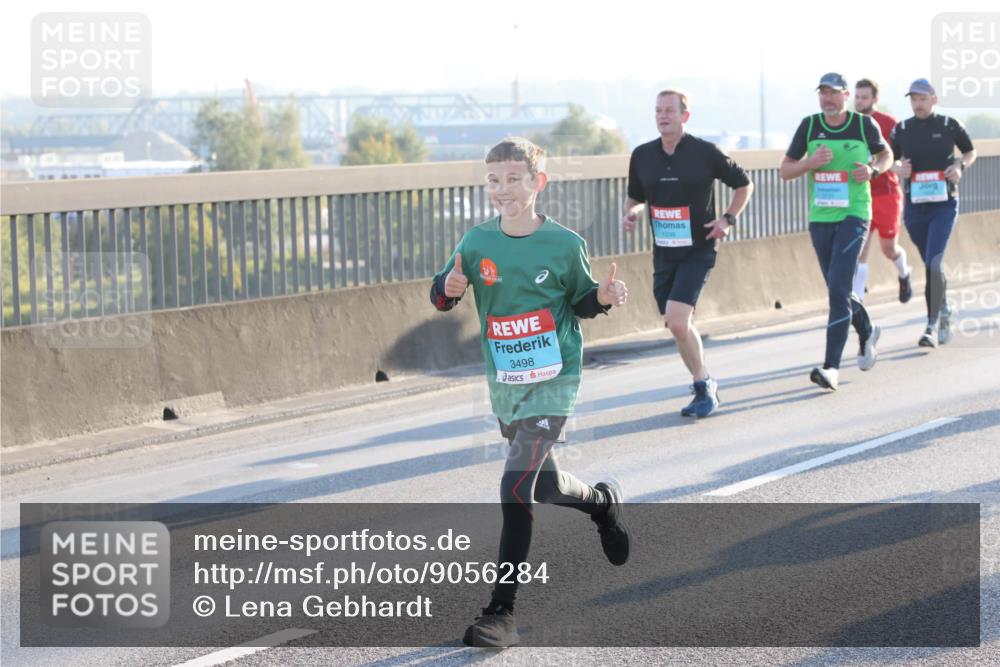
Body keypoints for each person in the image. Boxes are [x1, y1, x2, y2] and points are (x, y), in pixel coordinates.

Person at [430, 137, 631, 648]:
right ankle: (602, 504)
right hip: (506, 385)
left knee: (515, 486)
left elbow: (582, 300)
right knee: (544, 487)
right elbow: (443, 290)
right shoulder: (476, 242)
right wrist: (447, 291)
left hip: (554, 381)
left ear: (538, 182)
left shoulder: (564, 244)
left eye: (514, 178)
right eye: (494, 179)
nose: (503, 189)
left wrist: (602, 297)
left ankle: (501, 613)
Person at [622, 89, 753, 417]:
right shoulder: (642, 155)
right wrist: (633, 213)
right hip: (664, 252)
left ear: (685, 116)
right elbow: (635, 197)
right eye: (658, 111)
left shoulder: (704, 153)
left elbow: (744, 184)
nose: (663, 116)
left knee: (679, 321)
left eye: (669, 110)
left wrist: (727, 219)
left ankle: (702, 386)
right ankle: (704, 382)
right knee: (674, 321)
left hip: (699, 248)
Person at [780, 73, 894, 391]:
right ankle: (867, 329)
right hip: (820, 217)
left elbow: (887, 155)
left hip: (855, 214)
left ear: (846, 95)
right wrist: (811, 162)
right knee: (837, 288)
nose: (828, 99)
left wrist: (872, 169)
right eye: (823, 93)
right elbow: (785, 170)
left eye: (834, 93)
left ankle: (831, 368)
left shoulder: (862, 125)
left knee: (837, 290)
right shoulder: (809, 125)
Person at [889, 78, 977, 348]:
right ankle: (945, 307)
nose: (918, 104)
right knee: (930, 262)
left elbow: (971, 151)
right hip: (916, 207)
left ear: (934, 100)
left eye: (923, 99)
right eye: (914, 99)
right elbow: (887, 159)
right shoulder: (901, 129)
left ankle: (931, 323)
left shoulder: (950, 125)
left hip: (944, 204)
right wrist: (897, 168)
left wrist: (960, 166)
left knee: (934, 262)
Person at [852, 78, 913, 303]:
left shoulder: (888, 124)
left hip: (886, 195)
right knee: (860, 251)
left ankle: (904, 272)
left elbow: (898, 158)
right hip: (860, 196)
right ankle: (857, 299)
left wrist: (899, 167)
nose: (859, 102)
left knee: (889, 249)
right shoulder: (850, 122)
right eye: (857, 97)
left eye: (864, 97)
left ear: (875, 99)